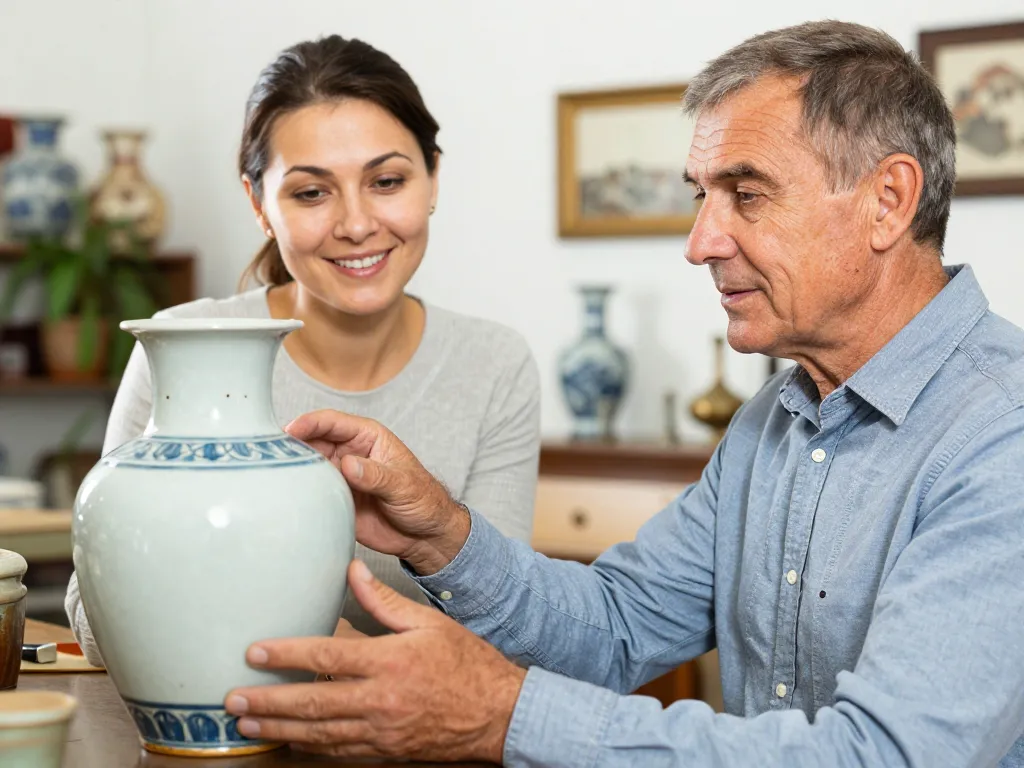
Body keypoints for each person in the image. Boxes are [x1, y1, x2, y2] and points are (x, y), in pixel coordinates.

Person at [221, 20, 1024, 767]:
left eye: (745, 194)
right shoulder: (772, 422)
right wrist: (440, 532)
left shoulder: (1002, 435)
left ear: (888, 199)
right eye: (700, 195)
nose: (700, 242)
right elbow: (614, 625)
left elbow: (884, 756)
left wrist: (502, 715)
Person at [64, 35, 541, 664]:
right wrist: (337, 654)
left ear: (432, 180)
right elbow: (97, 615)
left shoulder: (495, 365)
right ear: (259, 204)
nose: (356, 223)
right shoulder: (179, 346)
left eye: (387, 180)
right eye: (312, 192)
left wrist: (248, 620)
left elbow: (507, 631)